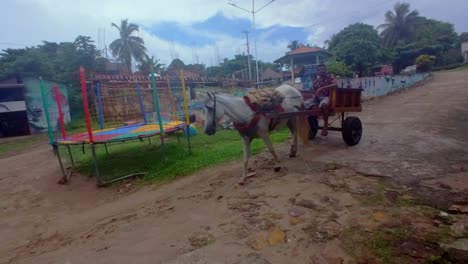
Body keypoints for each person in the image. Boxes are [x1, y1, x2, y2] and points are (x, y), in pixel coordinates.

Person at [304, 64, 336, 136]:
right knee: (303, 105)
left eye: (323, 69)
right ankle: (308, 124)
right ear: (317, 71)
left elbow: (335, 84)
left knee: (324, 105)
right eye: (320, 69)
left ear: (326, 70)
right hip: (317, 98)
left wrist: (322, 88)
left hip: (327, 97)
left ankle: (325, 127)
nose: (322, 70)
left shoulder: (330, 76)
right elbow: (312, 90)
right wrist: (314, 94)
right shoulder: (316, 80)